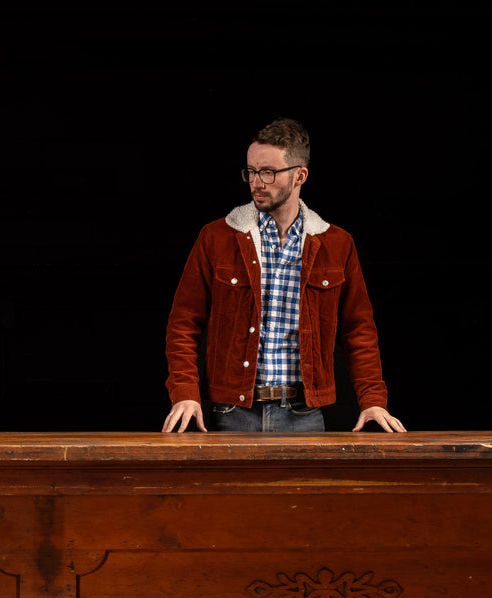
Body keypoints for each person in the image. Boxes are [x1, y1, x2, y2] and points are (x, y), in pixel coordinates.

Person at [162, 118, 405, 434]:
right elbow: (184, 322)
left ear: (300, 175)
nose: (256, 182)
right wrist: (185, 394)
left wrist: (373, 400)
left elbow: (358, 329)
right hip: (233, 413)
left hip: (304, 415)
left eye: (268, 173)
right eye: (251, 171)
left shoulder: (336, 244)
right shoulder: (216, 237)